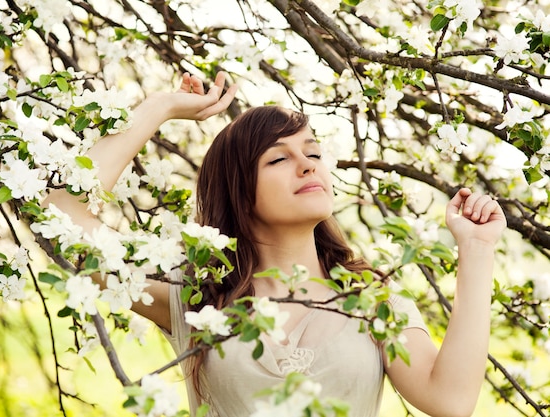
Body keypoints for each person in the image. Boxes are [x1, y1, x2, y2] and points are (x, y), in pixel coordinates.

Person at [45, 72, 507, 417]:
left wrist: (477, 250)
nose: (307, 166)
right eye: (279, 158)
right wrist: (161, 107)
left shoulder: (373, 298)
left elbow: (449, 399)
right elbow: (61, 217)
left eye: (314, 153)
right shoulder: (197, 298)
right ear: (239, 191)